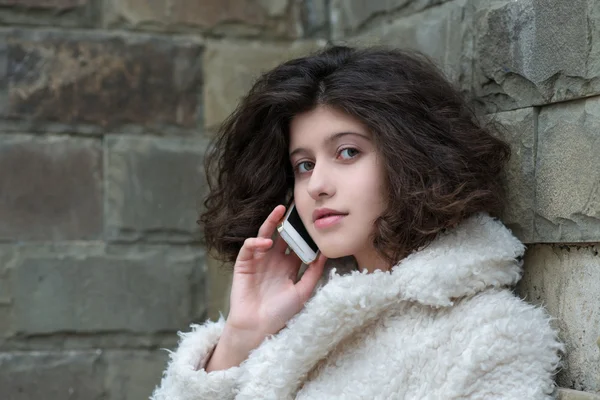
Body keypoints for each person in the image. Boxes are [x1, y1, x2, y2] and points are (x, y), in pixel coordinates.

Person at [150, 46, 563, 399]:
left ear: (411, 159)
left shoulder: (494, 336)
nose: (317, 186)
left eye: (347, 153)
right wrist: (241, 336)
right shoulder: (295, 319)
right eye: (304, 165)